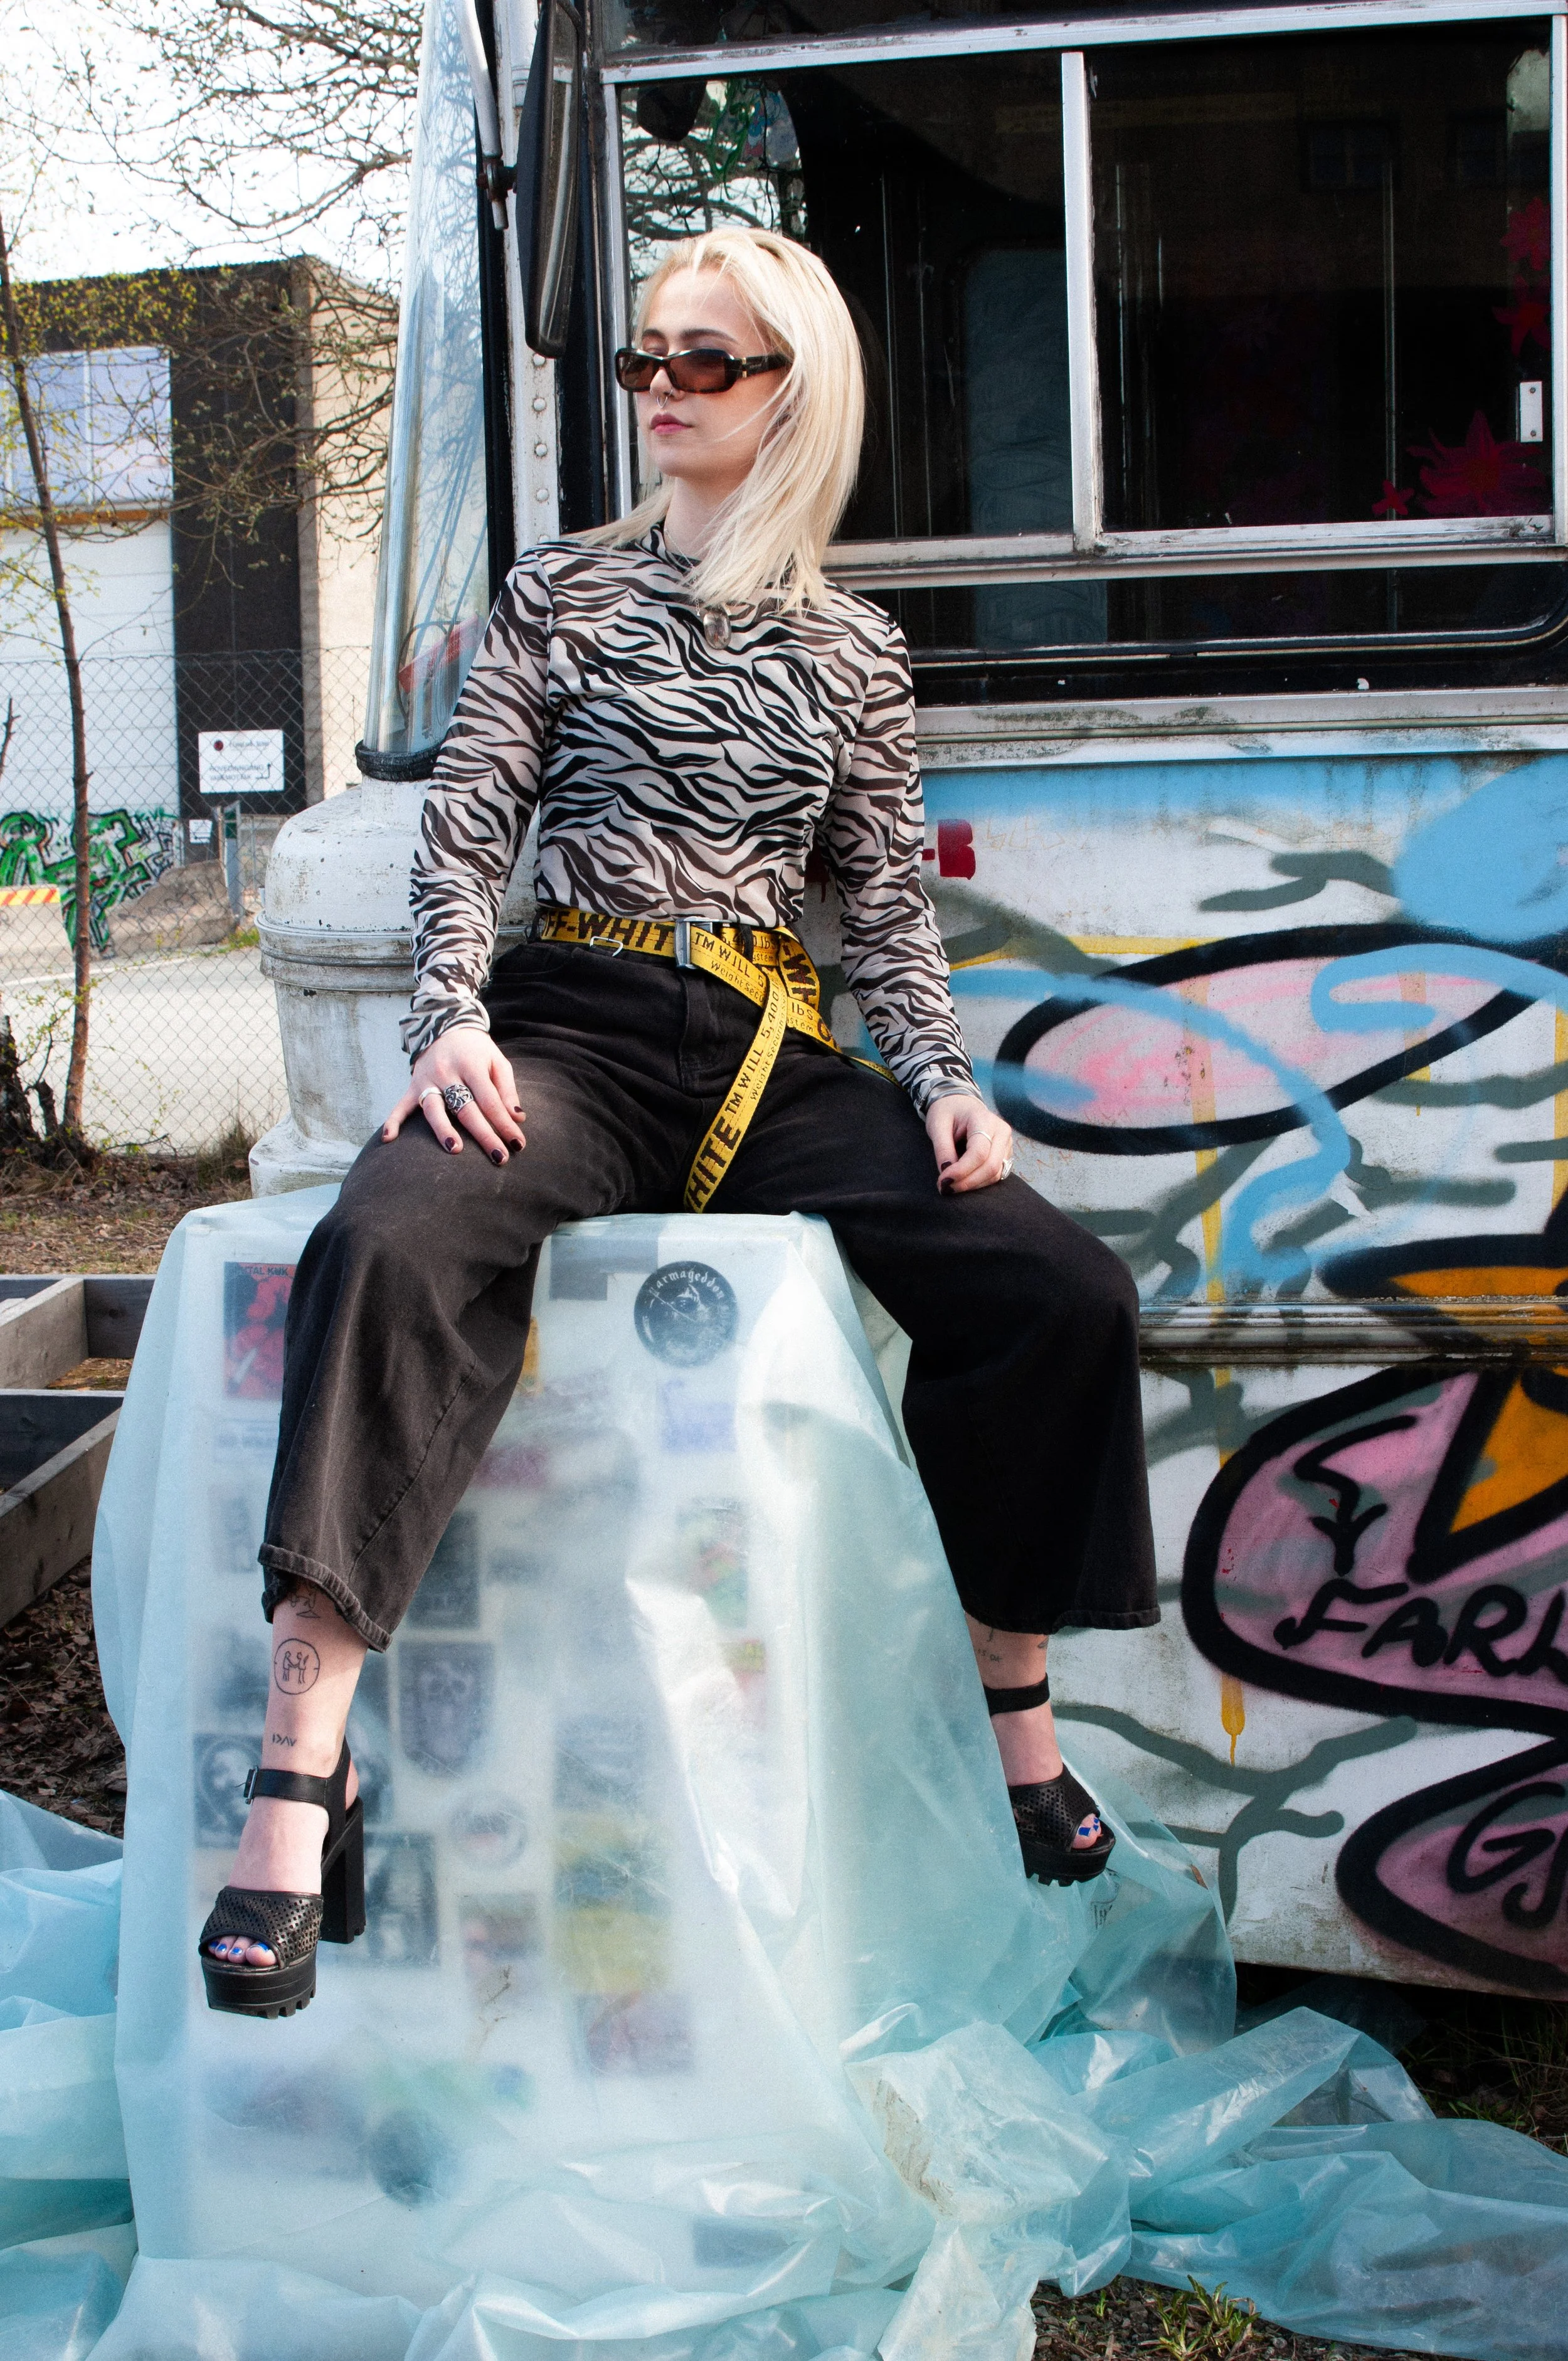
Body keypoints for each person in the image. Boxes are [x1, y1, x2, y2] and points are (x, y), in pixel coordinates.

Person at [199, 226, 1158, 2020]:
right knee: (386, 1234)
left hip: (767, 1053)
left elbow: (880, 907)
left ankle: (1013, 1718)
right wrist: (447, 1021)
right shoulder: (557, 591)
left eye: (702, 361)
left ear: (791, 385)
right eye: (646, 357)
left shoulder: (854, 648)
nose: (658, 389)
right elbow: (467, 829)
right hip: (568, 1026)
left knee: (1055, 1290)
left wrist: (942, 1081)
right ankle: (297, 1776)